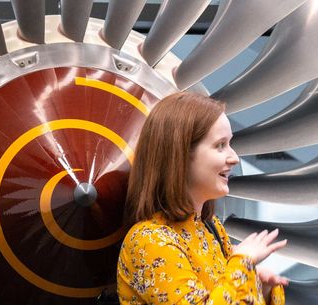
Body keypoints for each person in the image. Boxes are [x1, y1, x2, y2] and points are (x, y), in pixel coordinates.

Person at [117, 92, 288, 305]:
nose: (234, 158)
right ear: (180, 154)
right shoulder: (149, 241)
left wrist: (261, 290)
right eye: (220, 145)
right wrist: (242, 263)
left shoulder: (211, 228)